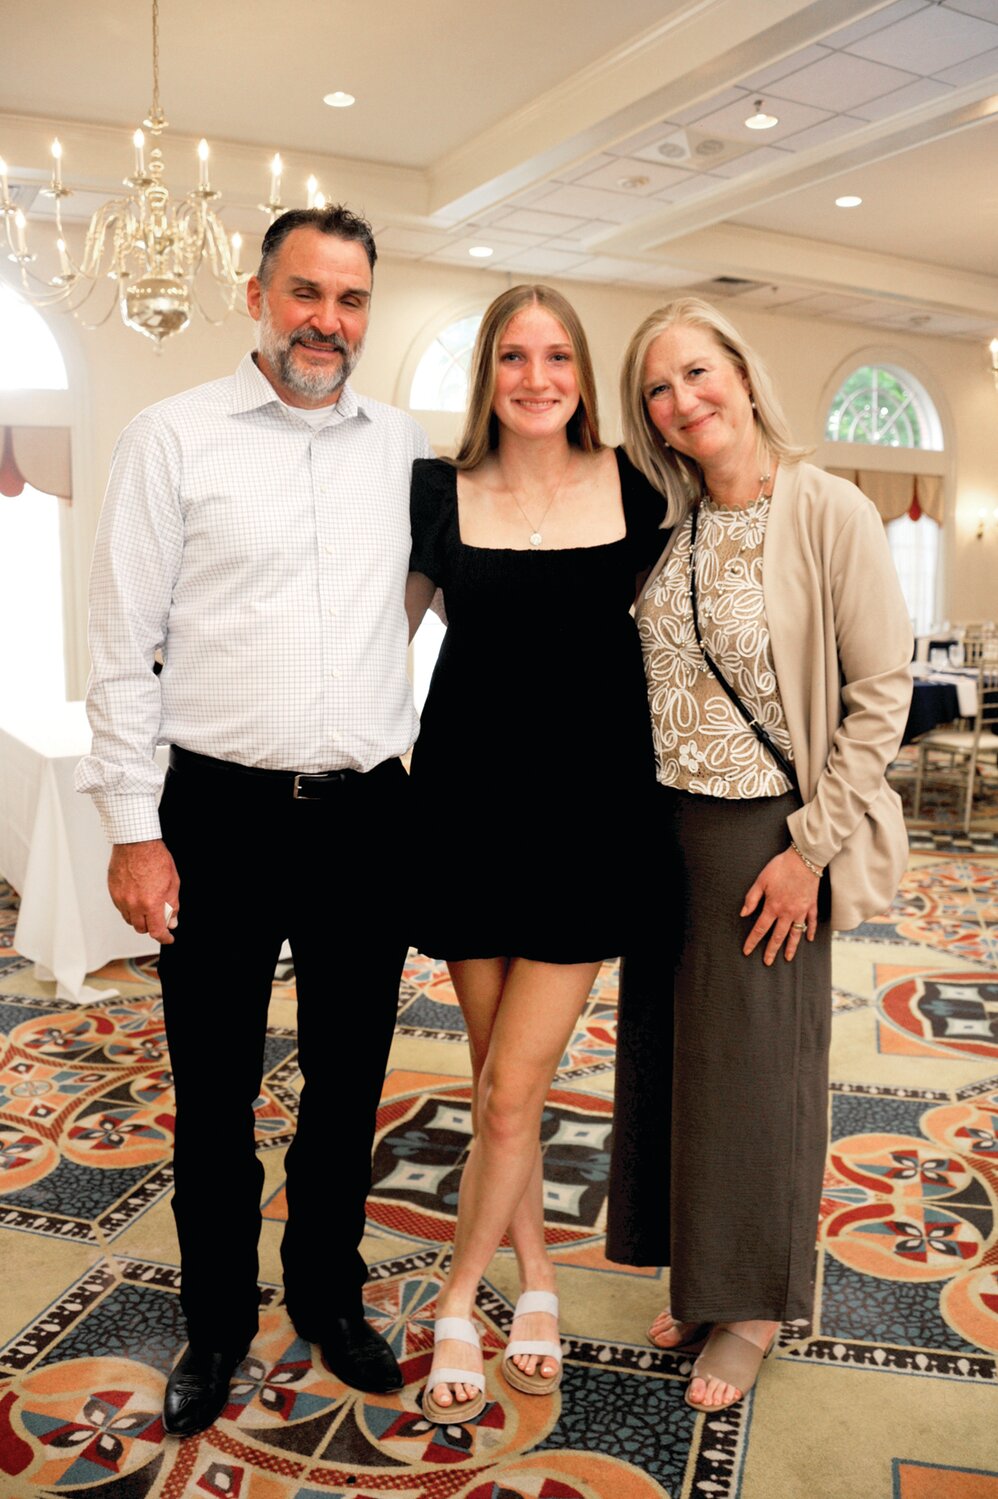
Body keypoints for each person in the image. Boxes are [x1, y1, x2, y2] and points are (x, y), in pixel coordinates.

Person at [76, 206, 430, 1437]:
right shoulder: (170, 437)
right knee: (214, 1088)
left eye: (351, 299)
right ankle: (217, 1315)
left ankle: (327, 1294)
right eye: (305, 292)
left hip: (364, 818)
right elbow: (120, 647)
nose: (327, 320)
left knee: (349, 1084)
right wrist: (133, 825)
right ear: (255, 294)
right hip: (215, 811)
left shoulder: (403, 443)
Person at [606, 297, 912, 1413]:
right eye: (657, 387)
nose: (680, 400)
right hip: (668, 832)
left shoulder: (825, 508)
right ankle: (704, 1274)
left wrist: (807, 851)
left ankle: (753, 1306)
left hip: (767, 835)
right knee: (677, 1067)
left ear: (739, 372)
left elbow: (880, 694)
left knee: (757, 1078)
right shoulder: (675, 519)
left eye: (696, 372)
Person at [404, 284, 666, 1423]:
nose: (536, 376)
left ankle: (460, 1293)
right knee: (490, 1076)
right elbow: (374, 642)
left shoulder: (641, 486)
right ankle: (543, 1275)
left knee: (514, 1087)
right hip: (462, 810)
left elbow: (702, 638)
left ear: (582, 371)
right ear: (486, 373)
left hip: (587, 824)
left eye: (556, 356)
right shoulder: (433, 491)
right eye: (514, 356)